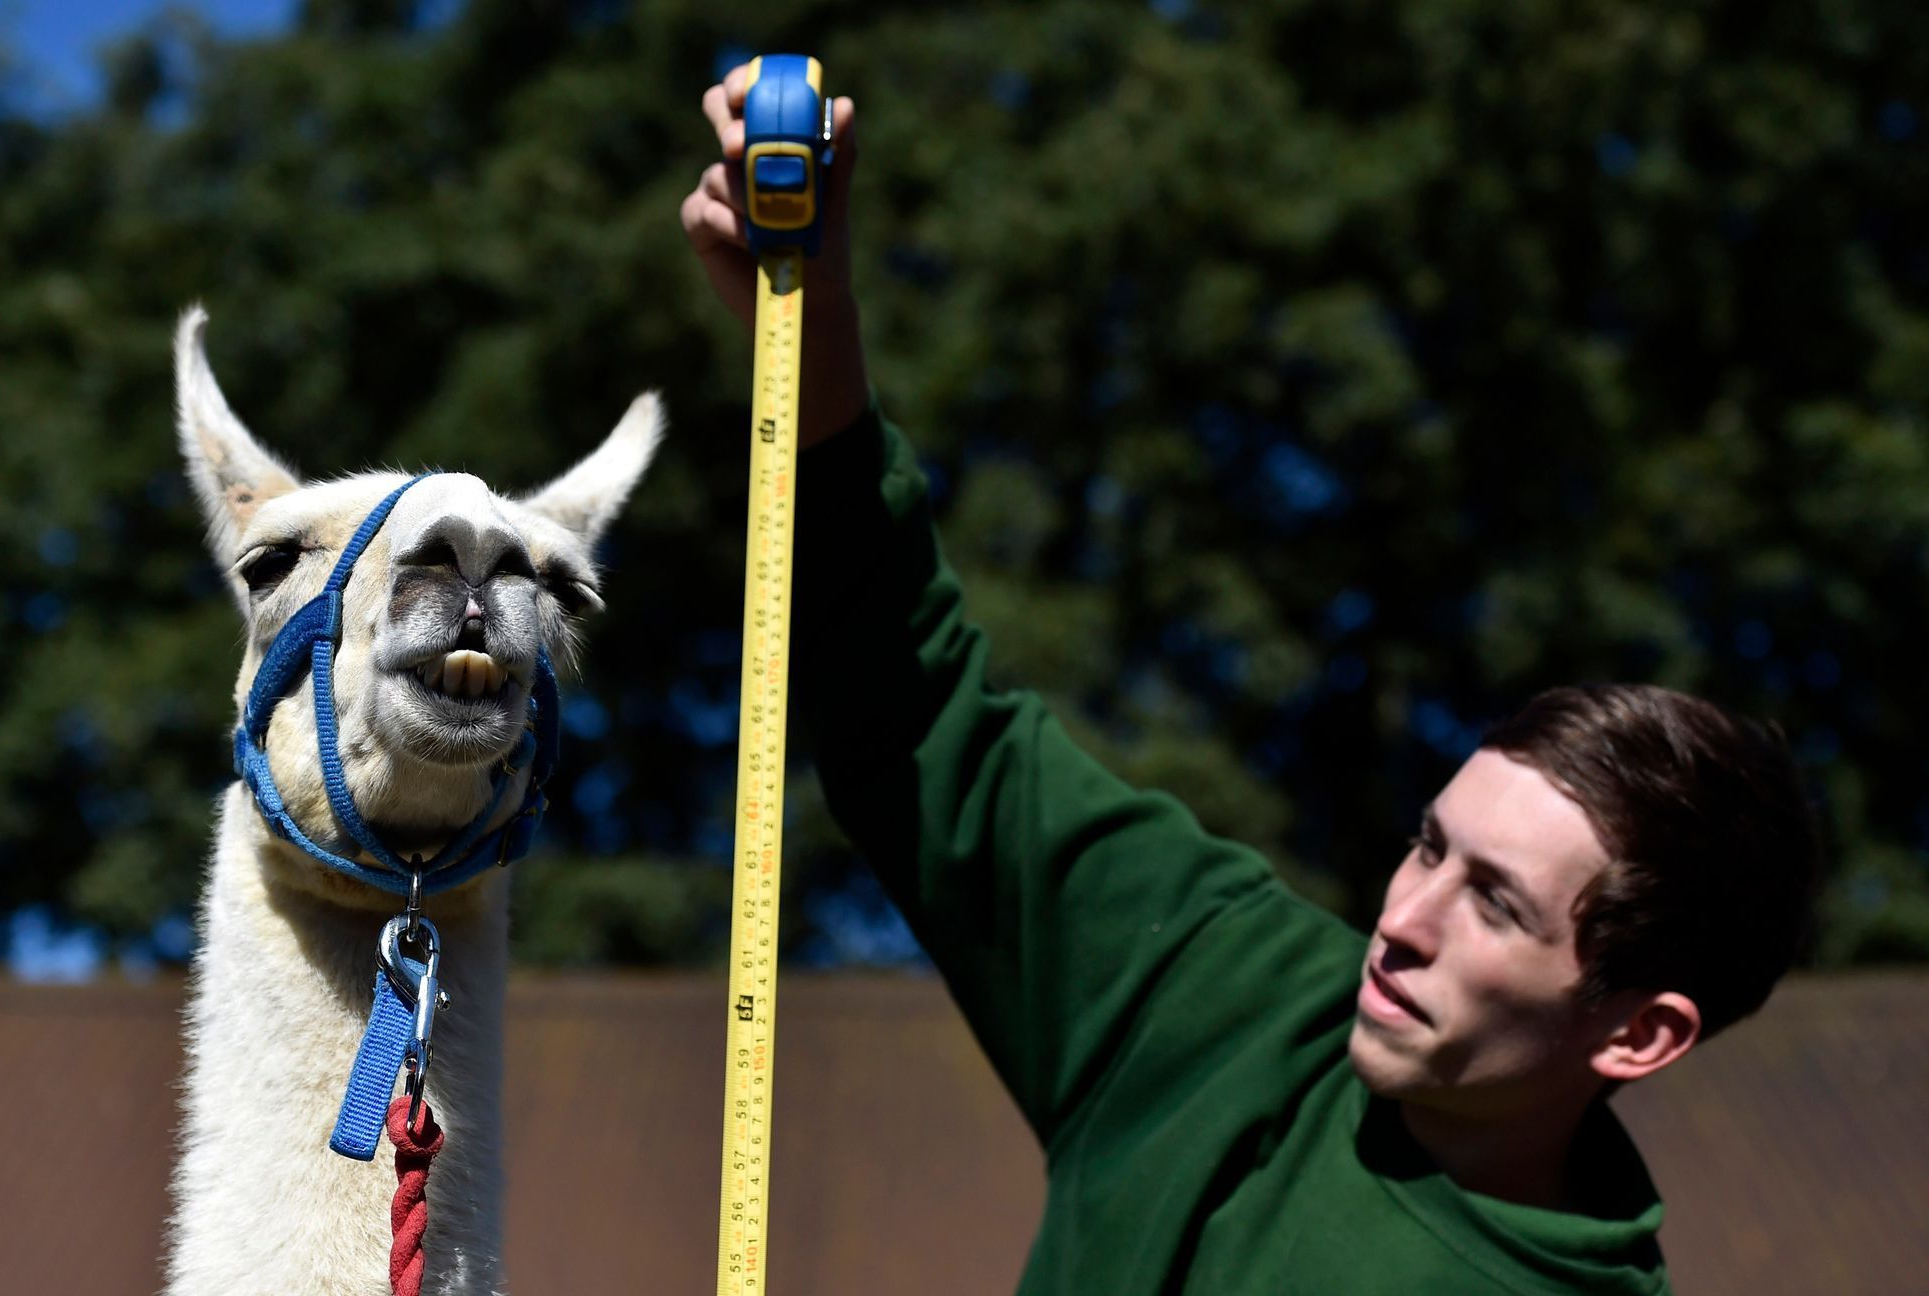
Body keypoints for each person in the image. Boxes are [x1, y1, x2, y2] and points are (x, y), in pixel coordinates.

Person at [681, 66, 1820, 1295]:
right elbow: (911, 715)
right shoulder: (1235, 997)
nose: (1402, 922)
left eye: (1495, 905)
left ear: (1638, 1032)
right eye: (1428, 847)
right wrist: (810, 330)